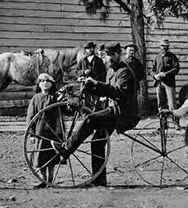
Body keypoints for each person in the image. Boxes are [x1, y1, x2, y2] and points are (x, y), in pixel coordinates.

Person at [52, 43, 139, 187]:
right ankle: (99, 180)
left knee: (90, 119)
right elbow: (105, 91)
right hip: (112, 110)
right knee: (97, 142)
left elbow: (117, 92)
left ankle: (66, 150)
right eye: (107, 55)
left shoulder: (125, 72)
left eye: (112, 55)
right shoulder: (111, 71)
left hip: (123, 113)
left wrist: (96, 83)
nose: (109, 58)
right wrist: (89, 85)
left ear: (119, 54)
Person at [26, 72, 62, 188]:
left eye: (47, 81)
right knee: (41, 157)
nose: (45, 83)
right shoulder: (36, 98)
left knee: (51, 156)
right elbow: (30, 117)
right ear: (39, 84)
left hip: (54, 132)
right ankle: (43, 180)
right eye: (42, 81)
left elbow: (63, 111)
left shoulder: (56, 97)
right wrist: (31, 134)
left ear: (52, 84)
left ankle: (51, 180)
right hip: (40, 132)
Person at [152, 39, 181, 130]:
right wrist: (155, 75)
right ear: (159, 46)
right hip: (159, 83)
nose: (163, 47)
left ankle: (176, 123)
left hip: (169, 83)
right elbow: (152, 69)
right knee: (161, 104)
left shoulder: (172, 57)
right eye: (162, 46)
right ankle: (163, 124)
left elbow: (176, 69)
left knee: (172, 104)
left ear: (168, 47)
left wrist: (166, 74)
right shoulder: (157, 57)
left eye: (165, 46)